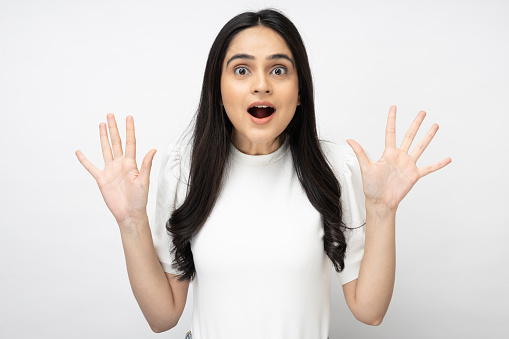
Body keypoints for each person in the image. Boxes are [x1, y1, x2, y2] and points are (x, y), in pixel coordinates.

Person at [75, 9, 451, 339]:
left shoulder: (335, 168)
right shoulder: (184, 168)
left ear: (300, 91)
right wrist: (130, 222)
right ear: (218, 89)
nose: (261, 84)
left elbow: (370, 311)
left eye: (278, 69)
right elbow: (162, 317)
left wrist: (383, 210)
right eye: (241, 69)